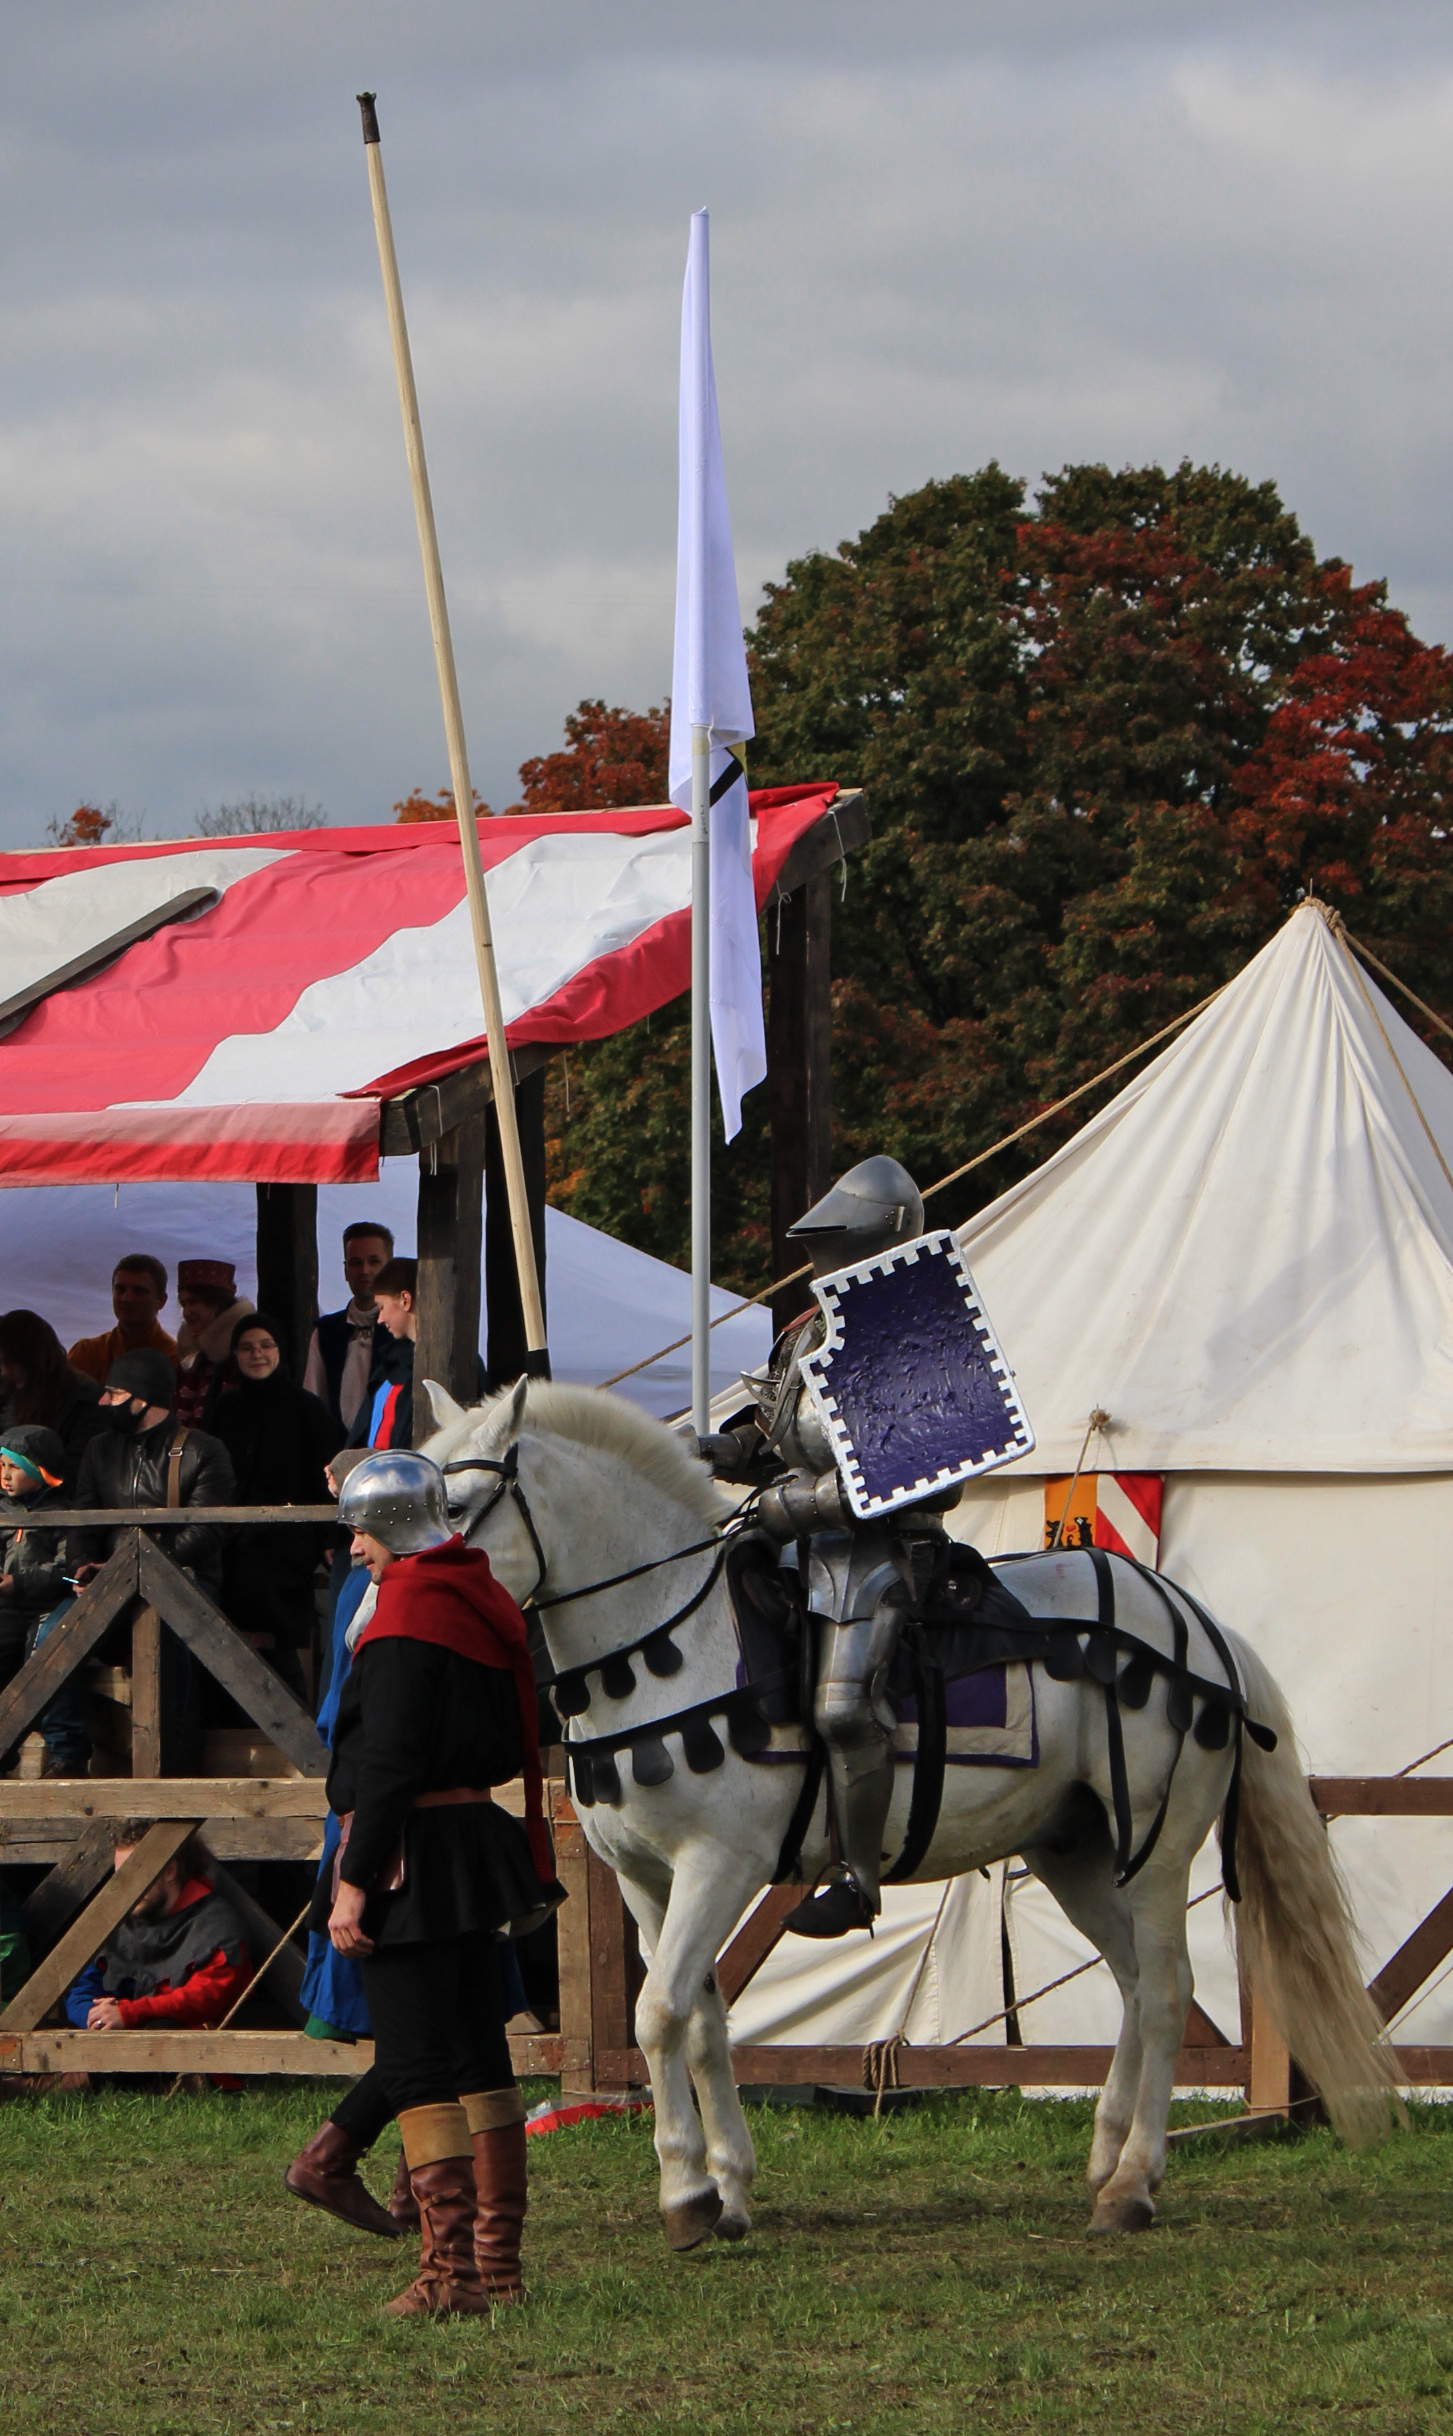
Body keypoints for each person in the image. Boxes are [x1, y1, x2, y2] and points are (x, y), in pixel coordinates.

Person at [317, 1450, 560, 2316]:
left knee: (419, 2068)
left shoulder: (406, 1615)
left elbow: (386, 1764)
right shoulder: (480, 1597)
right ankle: (497, 2268)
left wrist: (353, 1881)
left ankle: (451, 2276)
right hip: (469, 1844)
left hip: (410, 1856)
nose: (353, 1552)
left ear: (386, 1526)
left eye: (358, 1533)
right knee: (478, 2060)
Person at [742, 1157, 940, 1941]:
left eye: (834, 1238)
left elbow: (929, 1479)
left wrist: (795, 1505)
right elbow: (776, 1438)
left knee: (844, 1707)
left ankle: (858, 1877)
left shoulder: (912, 1329)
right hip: (796, 1541)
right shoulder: (806, 1330)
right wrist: (720, 1455)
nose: (820, 1255)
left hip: (879, 1551)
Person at [71, 1351, 236, 1768]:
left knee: (168, 1635)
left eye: (114, 1392)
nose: (105, 1401)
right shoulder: (98, 1450)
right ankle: (65, 1755)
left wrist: (141, 1568)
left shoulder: (204, 1450)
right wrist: (83, 1567)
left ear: (142, 1399)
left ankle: (171, 1768)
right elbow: (83, 1522)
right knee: (52, 1633)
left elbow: (207, 1530)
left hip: (184, 1578)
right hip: (108, 1580)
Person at [210, 1314, 339, 1700]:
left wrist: (329, 1537)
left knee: (275, 1625)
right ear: (235, 1354)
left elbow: (325, 1480)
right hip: (230, 1539)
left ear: (279, 1351)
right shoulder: (223, 1409)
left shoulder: (308, 1409)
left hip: (288, 1540)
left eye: (266, 1345)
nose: (257, 1354)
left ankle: (290, 1712)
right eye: (247, 1347)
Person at [63, 1825, 252, 2029]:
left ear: (170, 1870)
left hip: (189, 2053)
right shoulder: (114, 1920)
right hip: (109, 2047)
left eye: (135, 1874)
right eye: (120, 1877)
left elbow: (204, 1998)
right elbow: (80, 1986)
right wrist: (95, 2017)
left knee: (163, 2026)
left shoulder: (216, 1924)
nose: (127, 1888)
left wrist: (129, 2013)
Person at [303, 1222, 395, 1440]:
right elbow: (313, 1405)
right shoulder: (326, 1333)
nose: (365, 1270)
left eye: (374, 1261)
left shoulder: (404, 1330)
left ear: (389, 1266)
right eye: (356, 1263)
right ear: (345, 1270)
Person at [0, 1426, 69, 1699]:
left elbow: (66, 1568)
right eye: (1, 1465)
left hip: (45, 1606)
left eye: (14, 1467)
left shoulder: (64, 1514)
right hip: (6, 1607)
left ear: (40, 1472)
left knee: (39, 1660)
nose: (5, 1475)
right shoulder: (3, 1511)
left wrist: (18, 1582)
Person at [0, 1309, 107, 1486]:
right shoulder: (12, 1397)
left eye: (2, 1362)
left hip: (54, 1507)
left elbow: (77, 1475)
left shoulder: (84, 1402)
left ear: (24, 1360)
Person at [68, 1255, 178, 1387]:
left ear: (161, 1301)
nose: (126, 1298)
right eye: (120, 1289)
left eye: (138, 1291)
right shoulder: (87, 1354)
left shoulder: (175, 1360)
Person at [349, 1258, 419, 1452]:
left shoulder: (460, 1366)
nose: (380, 1319)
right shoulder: (388, 1366)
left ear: (405, 1300)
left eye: (381, 1307)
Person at [174, 1260, 254, 1428]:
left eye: (193, 1302)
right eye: (183, 1304)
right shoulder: (191, 1363)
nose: (186, 1313)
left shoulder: (243, 1360)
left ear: (218, 1303)